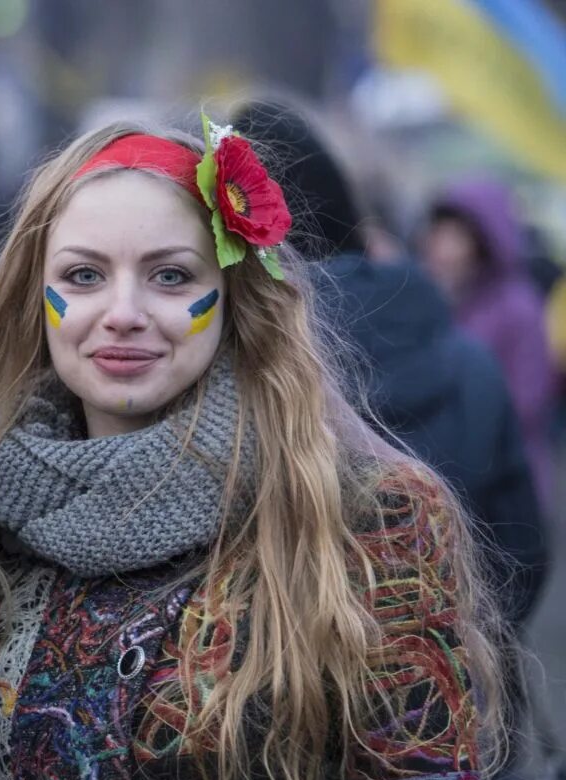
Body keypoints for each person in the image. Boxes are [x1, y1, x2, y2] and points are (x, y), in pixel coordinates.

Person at [0, 117, 506, 780]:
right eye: (83, 275)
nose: (122, 313)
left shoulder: (368, 517)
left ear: (233, 293)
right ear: (35, 295)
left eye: (171, 275)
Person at [231, 98, 548, 631]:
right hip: (455, 678)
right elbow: (522, 551)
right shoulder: (466, 353)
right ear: (354, 221)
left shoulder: (237, 370)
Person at [421, 179, 557, 513]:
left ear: (485, 241)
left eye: (457, 237)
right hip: (455, 481)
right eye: (440, 233)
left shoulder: (518, 306)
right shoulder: (443, 297)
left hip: (506, 482)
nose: (443, 248)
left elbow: (529, 398)